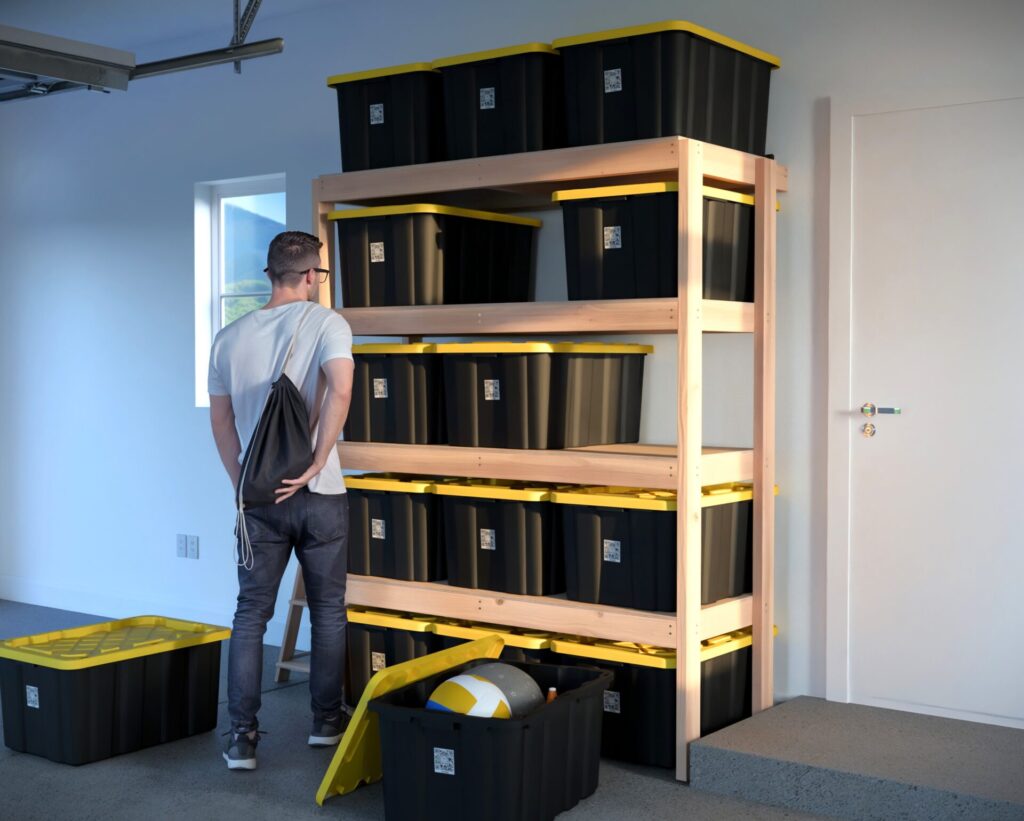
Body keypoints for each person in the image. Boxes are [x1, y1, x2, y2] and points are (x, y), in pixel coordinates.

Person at [208, 230, 355, 771]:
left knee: (250, 616)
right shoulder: (326, 323)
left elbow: (222, 425)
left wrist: (240, 486)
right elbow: (341, 387)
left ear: (272, 274)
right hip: (320, 496)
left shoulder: (228, 338)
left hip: (260, 499)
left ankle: (242, 738)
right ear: (313, 275)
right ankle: (324, 722)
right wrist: (317, 462)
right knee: (328, 613)